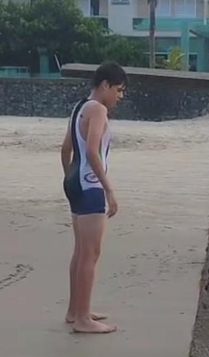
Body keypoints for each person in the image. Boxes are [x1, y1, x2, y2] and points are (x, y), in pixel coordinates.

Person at [60, 61, 126, 333]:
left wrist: (69, 178)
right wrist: (108, 188)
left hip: (76, 181)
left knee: (80, 251)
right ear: (105, 86)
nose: (120, 96)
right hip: (89, 184)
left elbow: (66, 148)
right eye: (119, 90)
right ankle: (83, 320)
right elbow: (92, 152)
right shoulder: (98, 110)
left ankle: (75, 310)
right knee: (91, 253)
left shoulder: (80, 107)